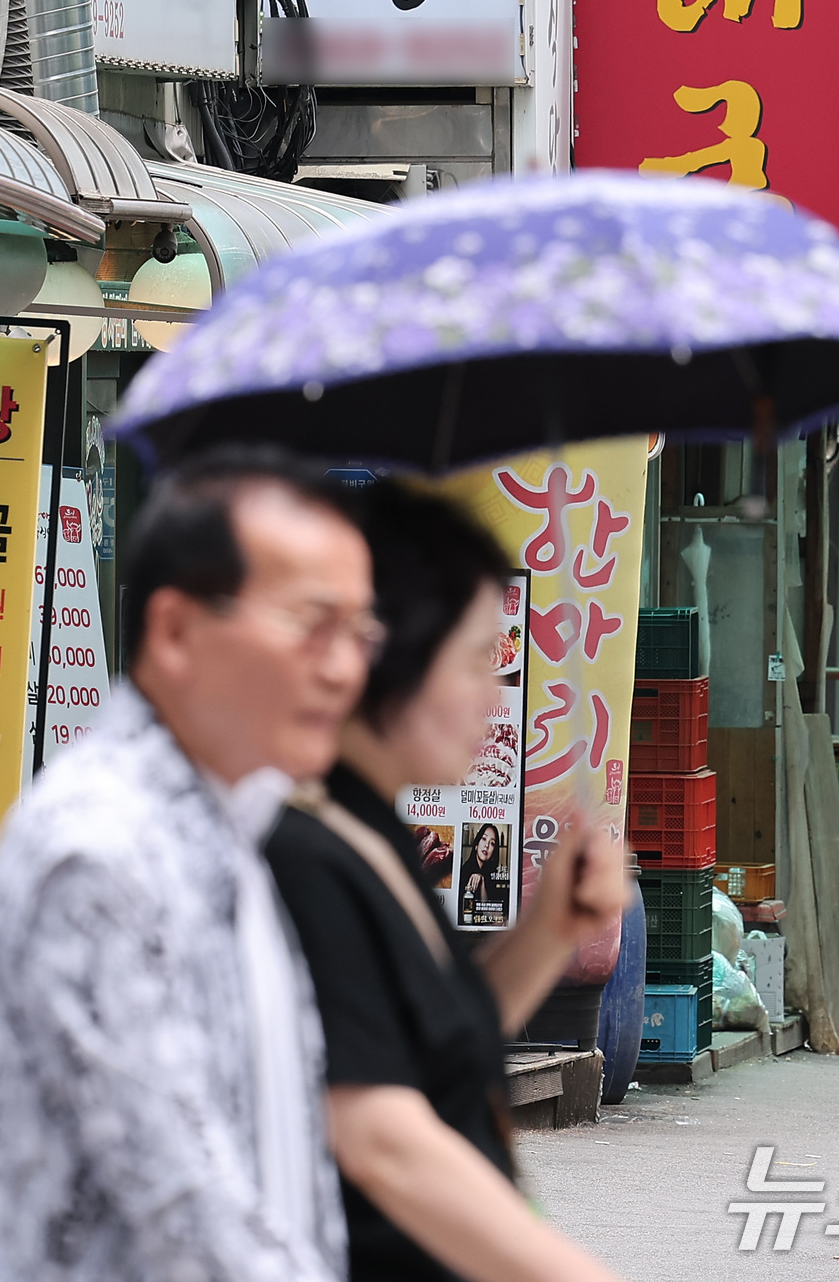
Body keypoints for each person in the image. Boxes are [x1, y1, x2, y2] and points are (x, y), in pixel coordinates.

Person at [0, 448, 384, 1282]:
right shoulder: (99, 848)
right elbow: (187, 1205)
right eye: (310, 624)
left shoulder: (232, 826)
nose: (342, 669)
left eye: (360, 632)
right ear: (176, 631)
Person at [267, 479, 629, 1282]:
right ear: (381, 655)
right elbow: (379, 1140)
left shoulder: (371, 831)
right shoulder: (300, 857)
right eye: (474, 661)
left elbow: (439, 1046)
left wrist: (550, 927)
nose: (494, 698)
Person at [459, 823, 506, 927]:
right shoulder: (465, 872)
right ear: (476, 845)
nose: (487, 845)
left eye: (492, 843)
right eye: (484, 839)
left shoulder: (488, 875)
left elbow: (488, 913)